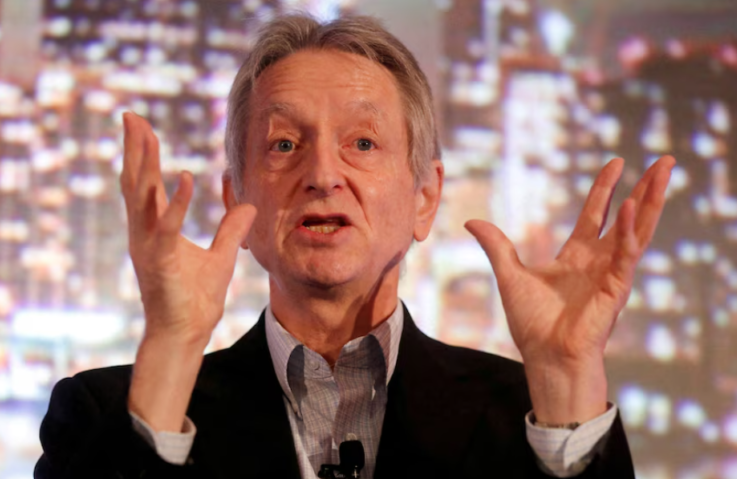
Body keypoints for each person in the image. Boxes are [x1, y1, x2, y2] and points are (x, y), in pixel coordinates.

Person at [35, 14, 674, 479]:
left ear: (425, 197)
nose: (322, 174)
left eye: (362, 143)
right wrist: (173, 346)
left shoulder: (531, 419)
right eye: (284, 144)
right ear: (236, 202)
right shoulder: (108, 414)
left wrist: (564, 374)